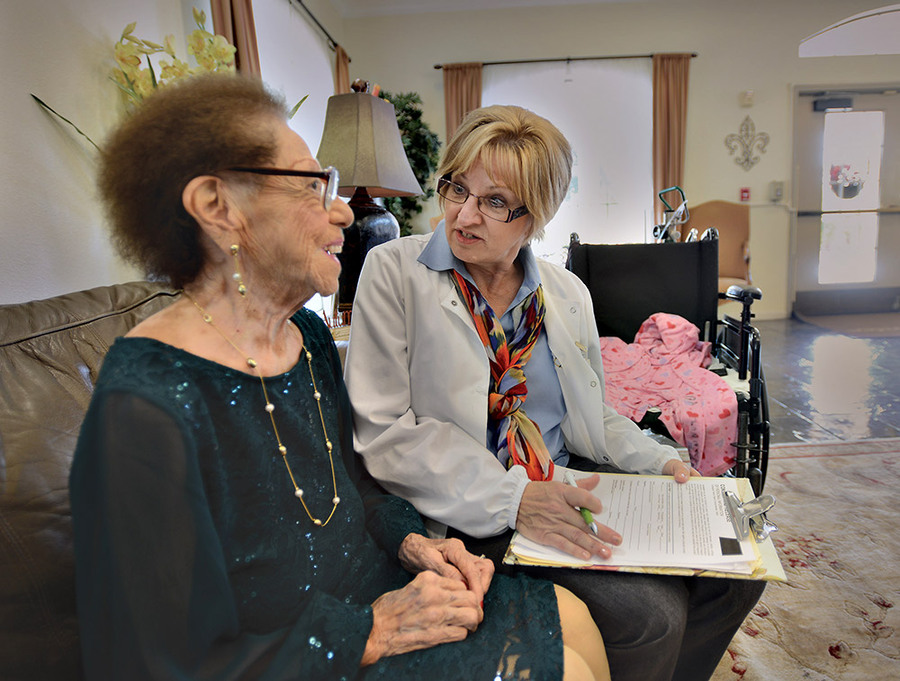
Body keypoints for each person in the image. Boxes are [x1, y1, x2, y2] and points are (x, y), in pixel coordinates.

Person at [69, 76, 611, 681]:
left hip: (372, 587)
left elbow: (358, 481)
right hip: (302, 648)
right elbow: (155, 661)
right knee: (570, 670)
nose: (342, 208)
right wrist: (371, 632)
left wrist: (414, 545)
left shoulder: (308, 337)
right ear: (218, 209)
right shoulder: (142, 404)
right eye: (309, 186)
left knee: (575, 622)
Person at [344, 104, 766, 681]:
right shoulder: (393, 271)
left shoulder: (566, 291)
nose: (463, 216)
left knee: (737, 572)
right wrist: (514, 499)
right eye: (455, 188)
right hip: (470, 505)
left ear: (535, 216)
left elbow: (591, 413)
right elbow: (386, 434)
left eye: (495, 202)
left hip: (566, 477)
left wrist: (663, 460)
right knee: (651, 617)